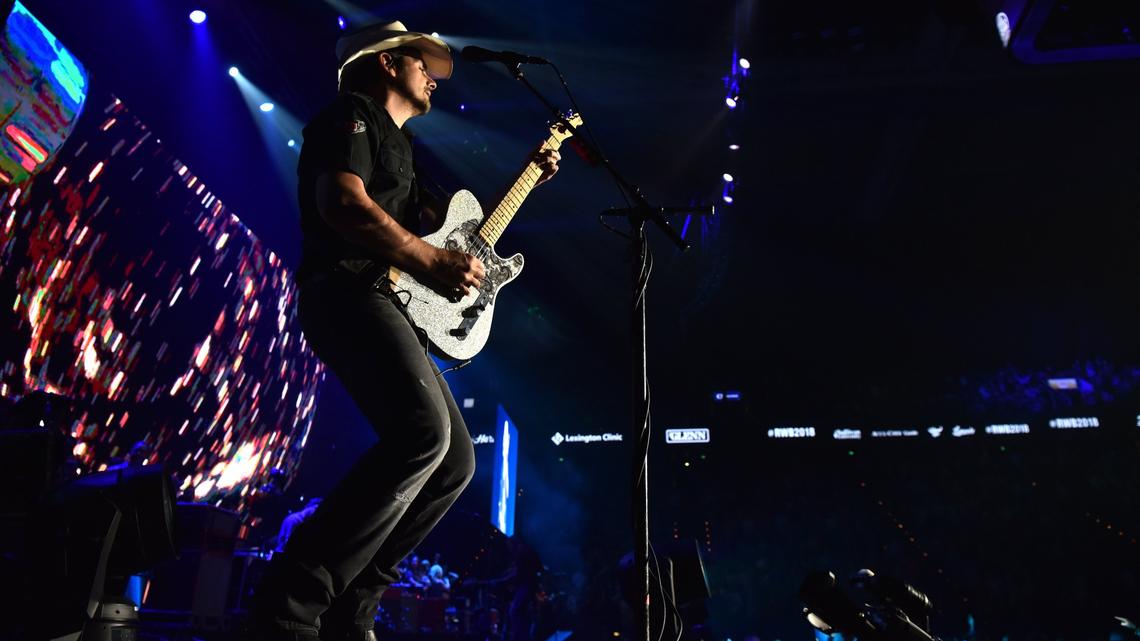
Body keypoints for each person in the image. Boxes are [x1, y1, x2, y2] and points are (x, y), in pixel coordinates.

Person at [249, 20, 559, 641]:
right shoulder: (351, 115)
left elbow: (460, 238)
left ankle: (354, 605)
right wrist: (428, 261)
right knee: (423, 432)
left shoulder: (403, 151)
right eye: (423, 63)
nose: (433, 78)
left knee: (455, 464)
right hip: (347, 290)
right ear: (388, 62)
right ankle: (294, 597)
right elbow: (342, 204)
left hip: (386, 300)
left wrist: (526, 176)